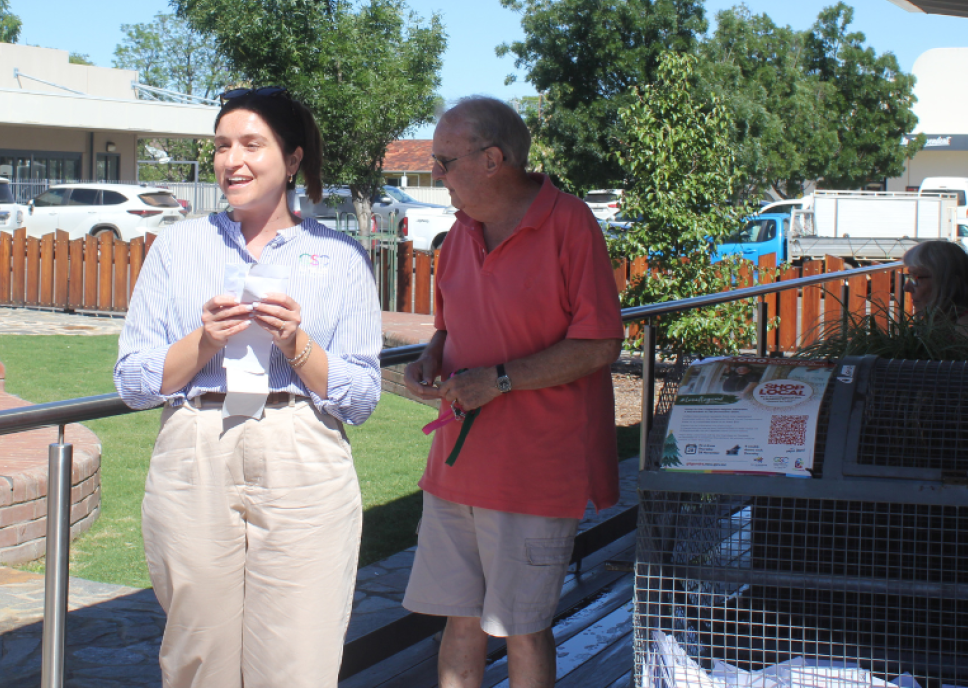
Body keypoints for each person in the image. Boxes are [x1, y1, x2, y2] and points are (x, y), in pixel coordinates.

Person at [114, 87, 382, 688]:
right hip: (196, 449)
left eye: (251, 144)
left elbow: (362, 397)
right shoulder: (178, 248)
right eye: (221, 146)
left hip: (303, 453)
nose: (232, 160)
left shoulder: (340, 258)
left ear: (291, 161)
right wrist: (202, 342)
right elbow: (134, 381)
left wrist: (298, 345)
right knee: (197, 657)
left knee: (297, 663)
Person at [402, 96, 625, 688]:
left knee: (522, 627)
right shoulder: (458, 233)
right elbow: (449, 326)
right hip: (455, 466)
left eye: (444, 162)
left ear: (493, 158)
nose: (436, 175)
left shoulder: (570, 223)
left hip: (536, 470)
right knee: (460, 623)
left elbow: (600, 344)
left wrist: (500, 381)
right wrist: (429, 358)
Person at [902, 239, 968, 325]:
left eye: (915, 278)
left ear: (947, 282)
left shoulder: (962, 328)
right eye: (909, 277)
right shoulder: (941, 323)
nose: (906, 288)